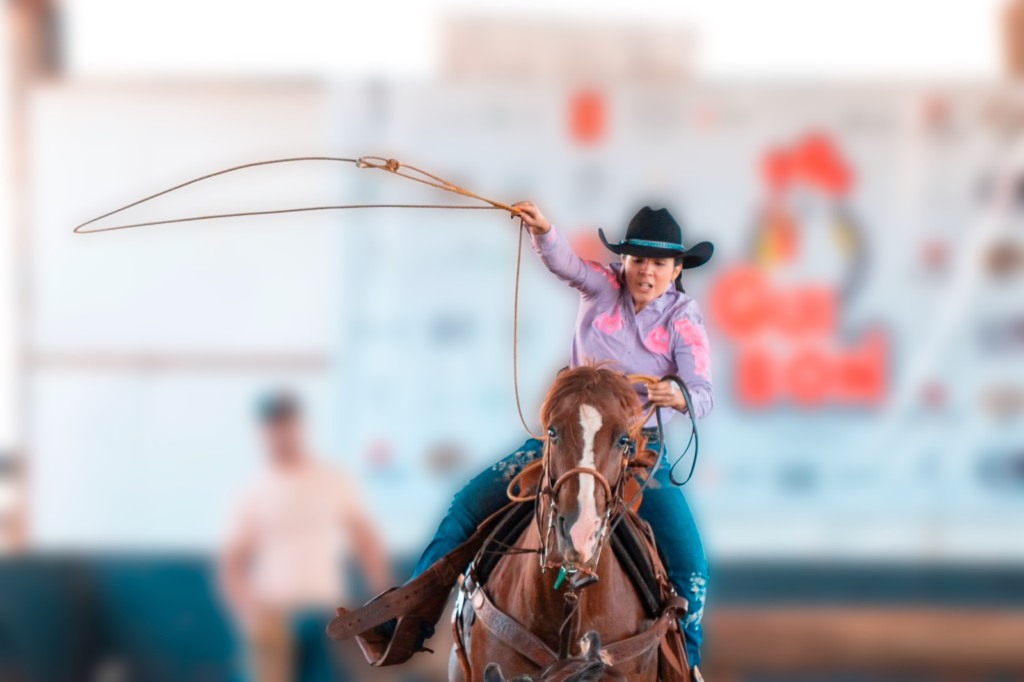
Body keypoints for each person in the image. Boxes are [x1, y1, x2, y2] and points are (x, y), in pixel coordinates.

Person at [412, 203, 715, 675]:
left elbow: (702, 393)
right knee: (467, 507)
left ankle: (688, 667)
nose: (646, 272)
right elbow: (567, 265)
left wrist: (676, 394)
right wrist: (545, 232)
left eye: (658, 263)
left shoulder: (683, 320)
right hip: (569, 438)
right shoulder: (602, 286)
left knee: (690, 566)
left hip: (636, 450)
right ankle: (413, 615)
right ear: (624, 263)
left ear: (677, 269)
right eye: (637, 260)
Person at [219, 391, 392, 682]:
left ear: (298, 426)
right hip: (273, 614)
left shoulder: (333, 479)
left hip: (329, 612)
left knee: (370, 673)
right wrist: (248, 611)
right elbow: (232, 564)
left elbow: (364, 536)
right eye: (273, 427)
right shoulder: (253, 491)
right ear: (263, 433)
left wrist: (381, 588)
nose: (280, 434)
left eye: (286, 425)